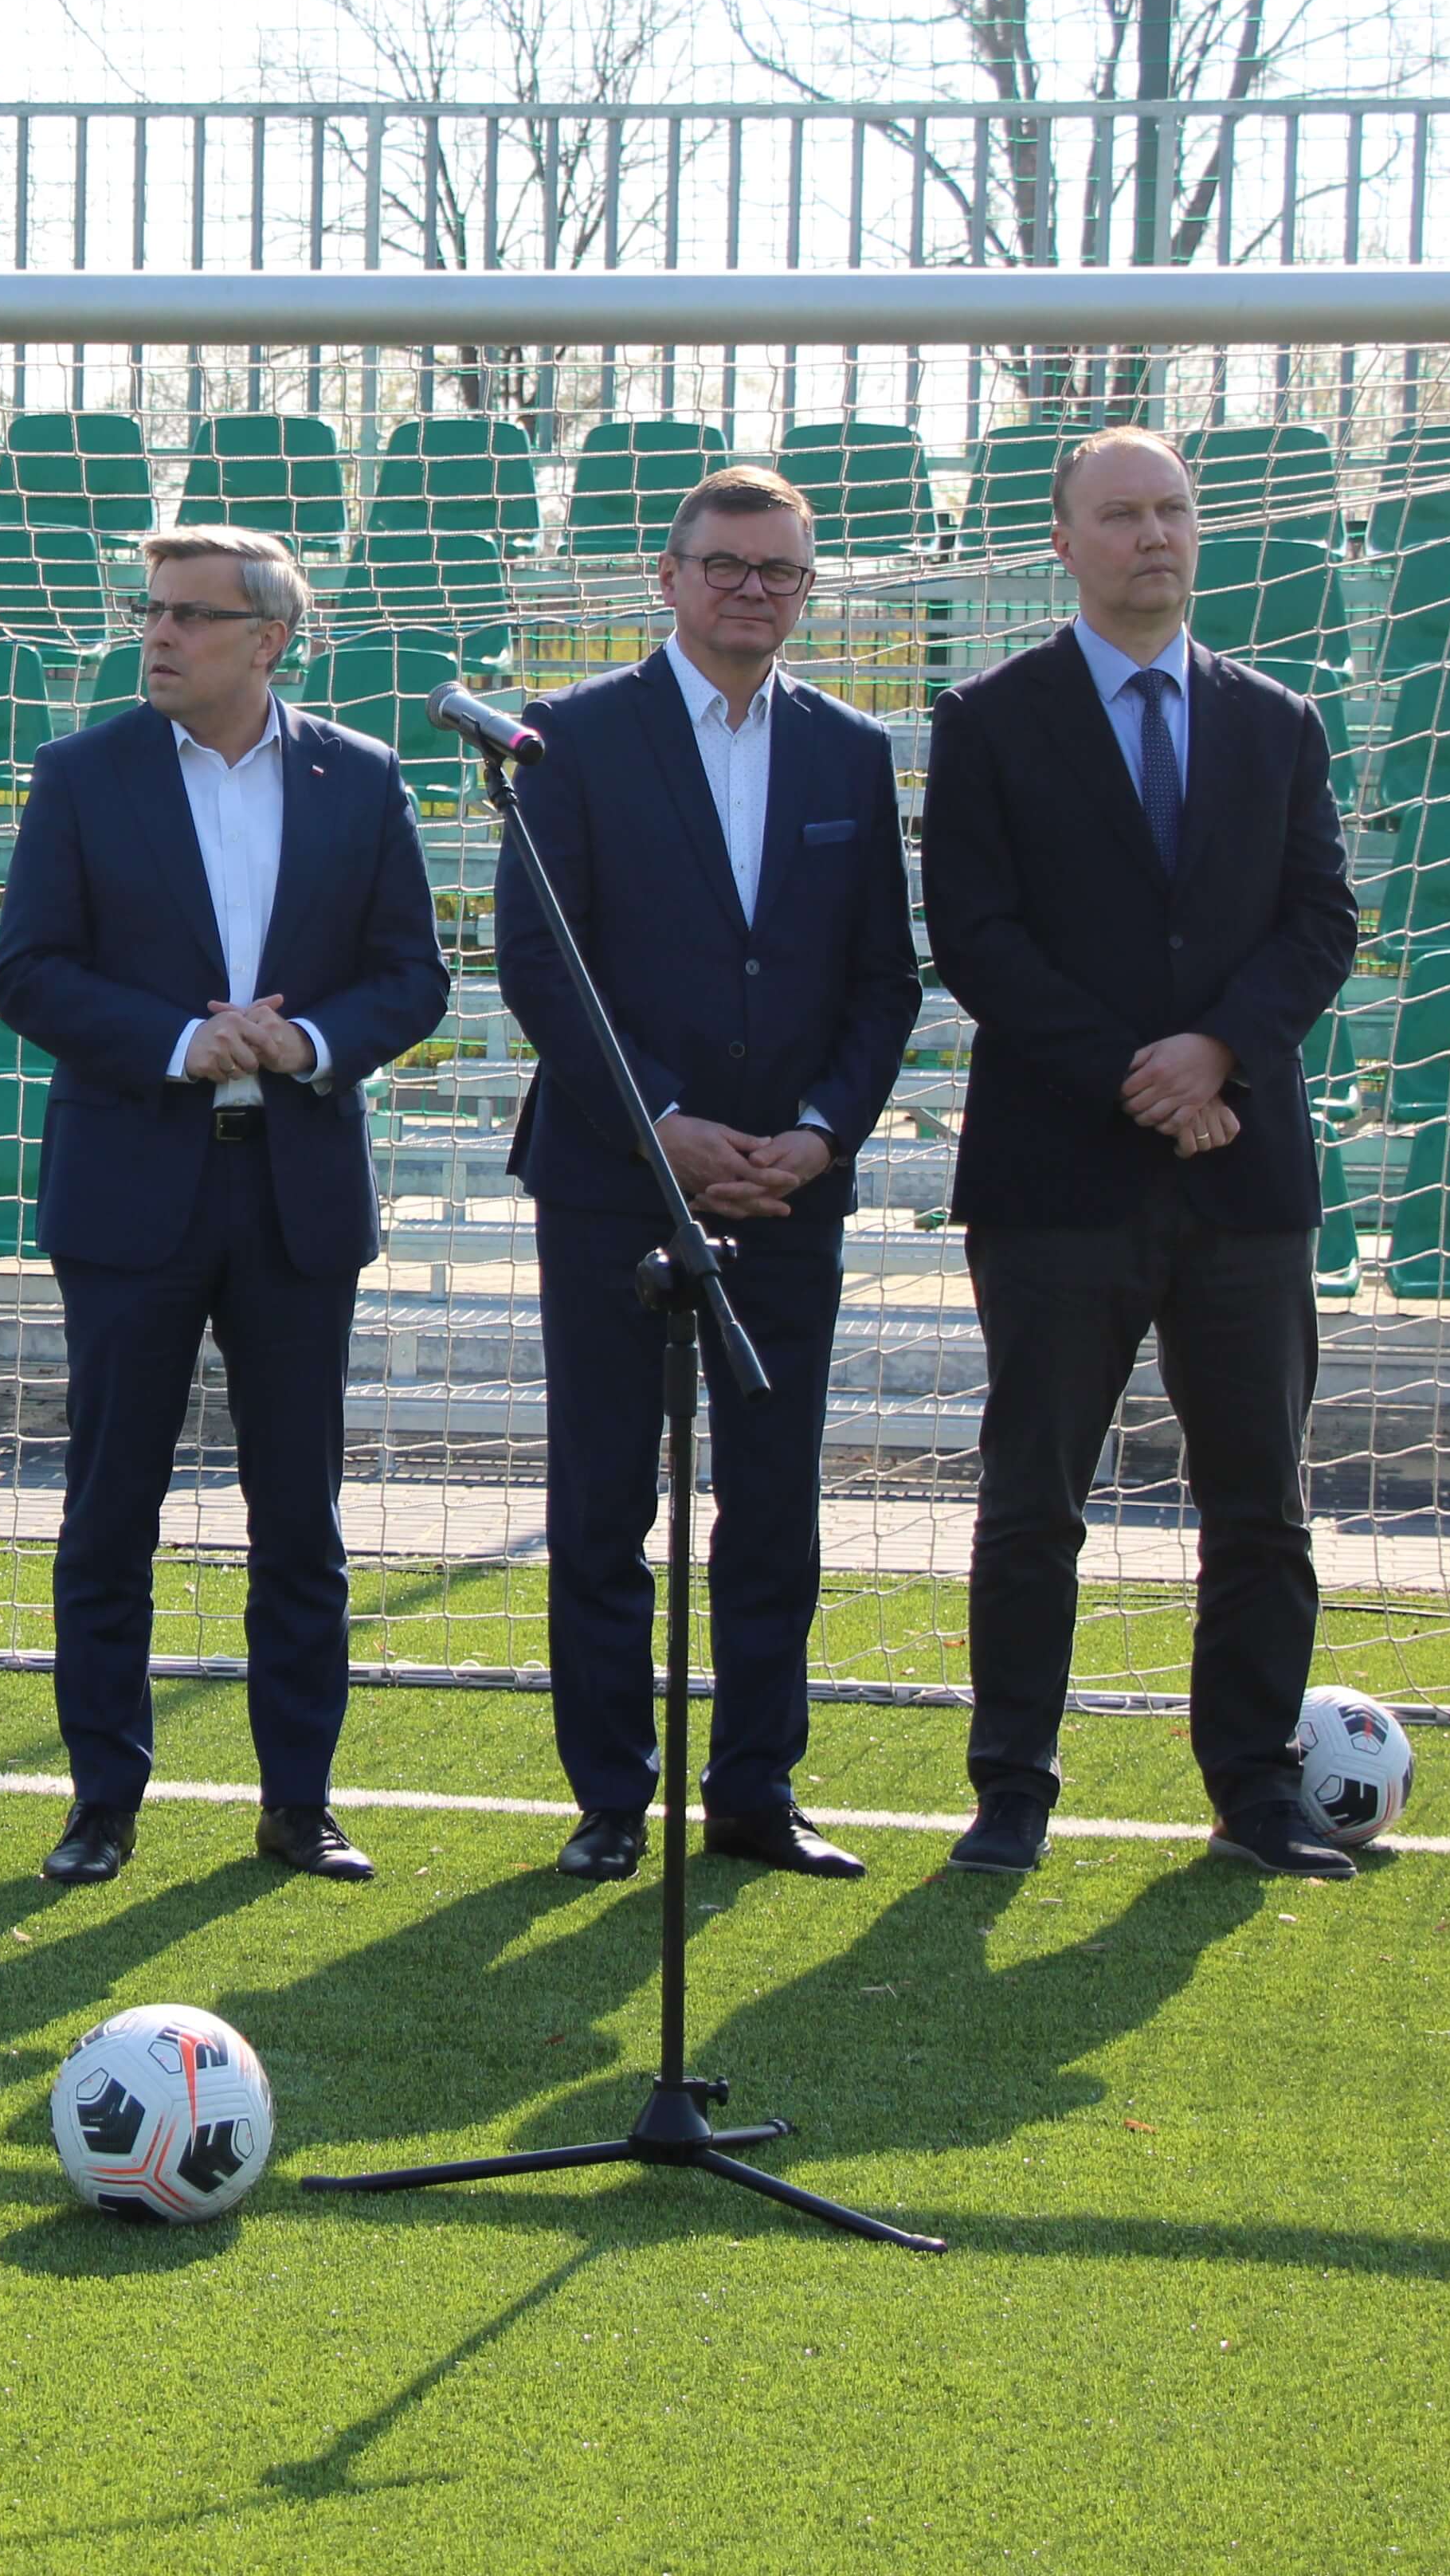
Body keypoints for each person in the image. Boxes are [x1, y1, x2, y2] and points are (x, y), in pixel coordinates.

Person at [920, 424, 1361, 1880]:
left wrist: (1217, 1050)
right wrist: (1138, 1072)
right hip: (1059, 1179)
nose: (1153, 537)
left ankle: (1252, 1786)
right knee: (1033, 1499)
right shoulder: (989, 717)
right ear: (1064, 538)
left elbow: (1320, 923)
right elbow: (976, 937)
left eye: (1173, 511)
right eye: (1121, 515)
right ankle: (1013, 1793)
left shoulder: (1277, 721)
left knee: (1261, 1505)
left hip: (1245, 1176)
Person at [0, 525, 453, 1891]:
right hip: (133, 1185)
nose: (160, 635)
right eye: (152, 609)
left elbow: (409, 978)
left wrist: (301, 1043)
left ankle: (298, 1805)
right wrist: (179, 1042)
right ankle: (101, 1802)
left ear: (271, 641)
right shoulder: (83, 774)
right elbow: (29, 972)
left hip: (297, 1192)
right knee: (108, 1509)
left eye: (192, 615)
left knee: (298, 1518)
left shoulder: (360, 781)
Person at [496, 465, 922, 1886]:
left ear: (808, 591)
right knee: (604, 1496)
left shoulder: (853, 752)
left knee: (776, 1503)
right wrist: (657, 1123)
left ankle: (756, 1787)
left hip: (787, 1186)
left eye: (780, 572)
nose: (752, 589)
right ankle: (611, 1796)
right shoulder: (569, 740)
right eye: (726, 565)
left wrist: (822, 1132)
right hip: (620, 1179)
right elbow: (541, 967)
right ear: (667, 580)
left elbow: (883, 979)